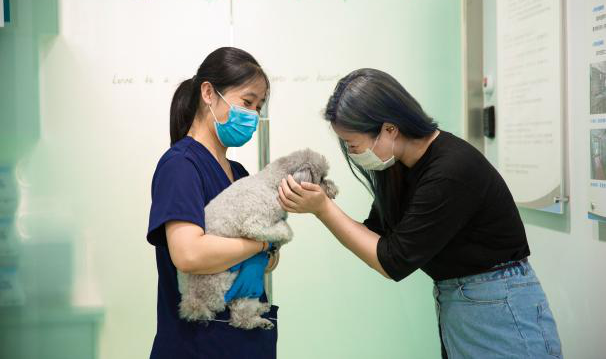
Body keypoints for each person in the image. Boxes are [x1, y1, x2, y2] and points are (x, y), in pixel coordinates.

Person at [277, 68, 563, 359]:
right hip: (459, 298)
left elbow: (393, 261)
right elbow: (376, 234)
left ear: (390, 130)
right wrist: (320, 205)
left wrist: (323, 209)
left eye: (353, 144)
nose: (352, 153)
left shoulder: (450, 171)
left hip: (498, 301)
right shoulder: (398, 167)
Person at [147, 47, 279, 359]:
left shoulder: (239, 173)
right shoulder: (181, 166)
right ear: (208, 93)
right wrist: (260, 245)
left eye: (259, 107)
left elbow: (270, 258)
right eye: (247, 102)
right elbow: (189, 253)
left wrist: (265, 247)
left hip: (241, 342)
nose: (253, 115)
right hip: (197, 346)